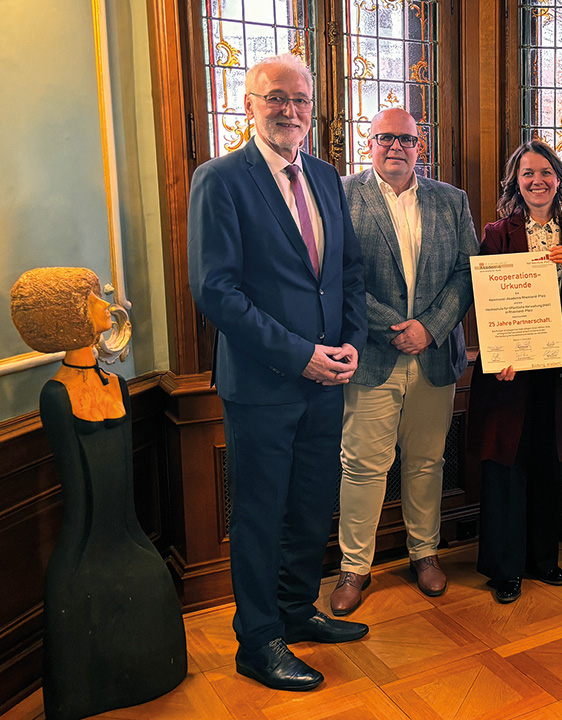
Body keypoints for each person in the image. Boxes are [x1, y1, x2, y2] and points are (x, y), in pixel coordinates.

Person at [188, 53, 368, 692]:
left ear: (313, 107)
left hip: (329, 379)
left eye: (300, 99)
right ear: (249, 103)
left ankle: (295, 611)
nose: (290, 110)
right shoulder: (220, 180)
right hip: (265, 385)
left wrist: (348, 344)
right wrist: (301, 356)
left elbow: (346, 272)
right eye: (276, 98)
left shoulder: (324, 177)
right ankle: (258, 640)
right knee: (261, 516)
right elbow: (217, 292)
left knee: (310, 505)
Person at [11, 268, 185, 718]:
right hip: (83, 549)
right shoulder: (56, 396)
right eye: (91, 298)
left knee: (152, 580)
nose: (105, 304)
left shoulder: (118, 385)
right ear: (68, 316)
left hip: (128, 535)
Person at [328, 108, 478, 615]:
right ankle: (355, 567)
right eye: (384, 138)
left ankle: (425, 553)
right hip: (372, 355)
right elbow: (337, 277)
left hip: (435, 357)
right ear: (367, 143)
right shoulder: (342, 195)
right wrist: (397, 328)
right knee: (363, 466)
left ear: (421, 146)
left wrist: (429, 328)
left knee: (427, 462)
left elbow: (466, 273)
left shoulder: (451, 200)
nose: (396, 147)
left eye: (406, 139)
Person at [468, 139, 562, 604]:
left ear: (559, 179)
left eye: (545, 172)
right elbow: (485, 299)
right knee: (507, 465)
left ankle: (543, 560)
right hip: (510, 370)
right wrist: (497, 351)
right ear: (515, 182)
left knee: (548, 461)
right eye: (527, 173)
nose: (537, 180)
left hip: (557, 373)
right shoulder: (497, 233)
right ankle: (505, 569)